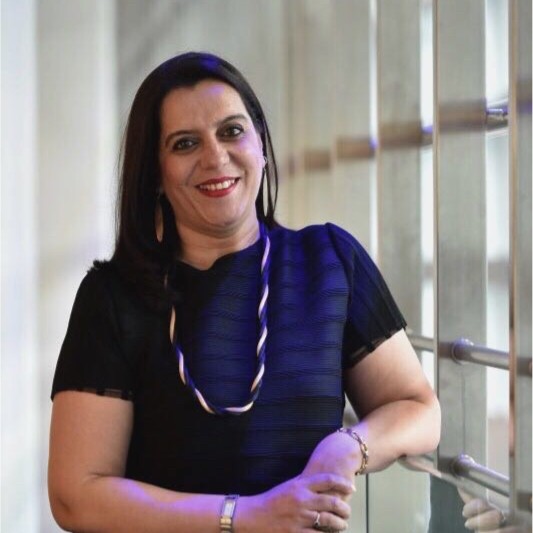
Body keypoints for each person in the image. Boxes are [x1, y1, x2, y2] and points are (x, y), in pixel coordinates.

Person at [48, 51, 441, 533]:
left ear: (261, 145)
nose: (215, 157)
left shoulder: (330, 260)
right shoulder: (112, 297)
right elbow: (75, 494)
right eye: (185, 143)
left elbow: (418, 408)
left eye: (232, 131)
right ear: (155, 174)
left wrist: (348, 446)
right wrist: (245, 516)